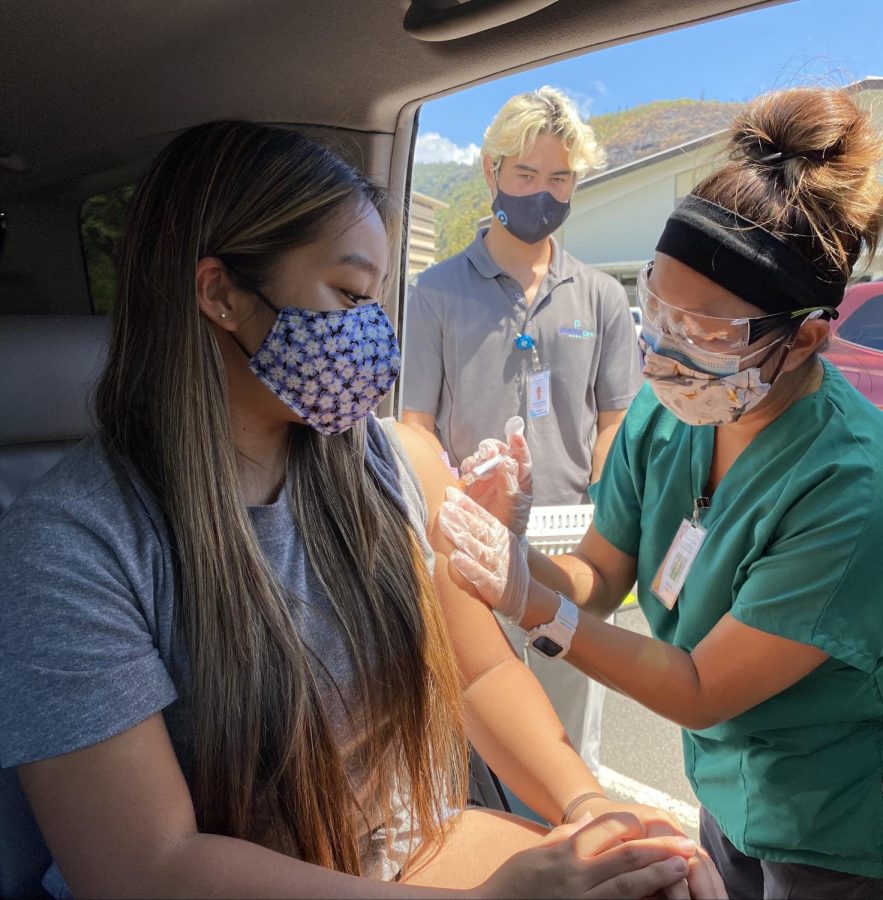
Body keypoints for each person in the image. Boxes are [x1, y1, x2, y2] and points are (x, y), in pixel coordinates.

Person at [0, 121, 727, 899]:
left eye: (376, 301)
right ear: (220, 294)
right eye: (348, 296)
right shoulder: (68, 549)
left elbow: (477, 673)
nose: (371, 335)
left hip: (412, 848)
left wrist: (594, 811)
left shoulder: (397, 466)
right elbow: (145, 867)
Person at [439, 84, 883, 898]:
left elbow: (701, 690)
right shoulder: (668, 415)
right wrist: (513, 556)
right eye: (657, 314)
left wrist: (537, 610)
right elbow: (602, 576)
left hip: (839, 818)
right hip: (726, 789)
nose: (662, 358)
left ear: (808, 337)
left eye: (707, 334)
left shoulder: (852, 487)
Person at [402, 86, 642, 776]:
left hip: (572, 543)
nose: (543, 192)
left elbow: (614, 418)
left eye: (560, 177)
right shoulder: (436, 292)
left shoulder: (598, 294)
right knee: (471, 730)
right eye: (527, 175)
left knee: (568, 741)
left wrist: (609, 513)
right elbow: (415, 424)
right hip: (466, 536)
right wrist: (450, 521)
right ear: (490, 171)